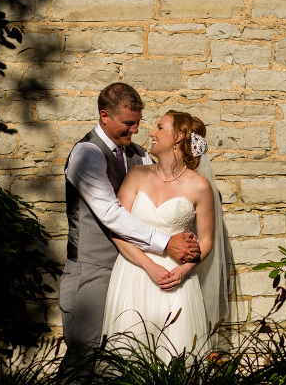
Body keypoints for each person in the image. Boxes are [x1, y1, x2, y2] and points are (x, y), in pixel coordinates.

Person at [59, 84, 200, 381]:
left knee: (132, 361)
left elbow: (164, 193)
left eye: (138, 121)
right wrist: (166, 244)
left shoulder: (139, 155)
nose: (135, 130)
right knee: (85, 359)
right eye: (127, 123)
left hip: (135, 274)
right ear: (104, 116)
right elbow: (111, 213)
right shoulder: (87, 154)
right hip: (93, 270)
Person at [101, 110, 229, 362]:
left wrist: (184, 270)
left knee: (175, 354)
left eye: (160, 127)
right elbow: (116, 229)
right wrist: (149, 266)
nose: (151, 132)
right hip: (132, 273)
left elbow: (206, 240)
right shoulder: (137, 175)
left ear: (178, 137)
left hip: (175, 280)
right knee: (128, 354)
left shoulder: (200, 187)